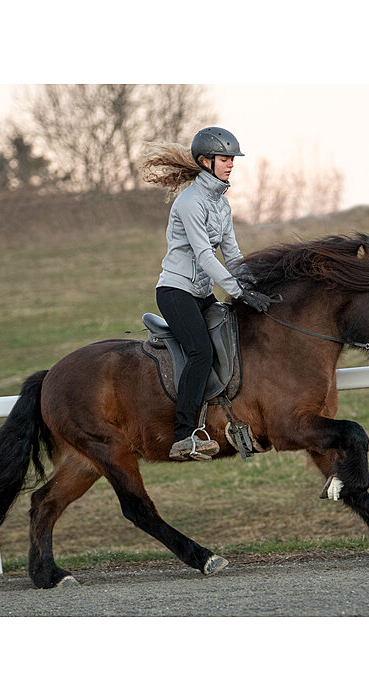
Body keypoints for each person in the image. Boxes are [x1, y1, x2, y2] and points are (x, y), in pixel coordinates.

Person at [140, 127, 272, 462]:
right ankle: (183, 435)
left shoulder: (221, 206)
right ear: (205, 161)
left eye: (232, 159)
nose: (231, 165)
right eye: (225, 159)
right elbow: (204, 256)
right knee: (199, 351)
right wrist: (237, 290)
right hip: (175, 292)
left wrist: (253, 285)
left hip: (200, 295)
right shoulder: (190, 202)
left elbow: (233, 253)